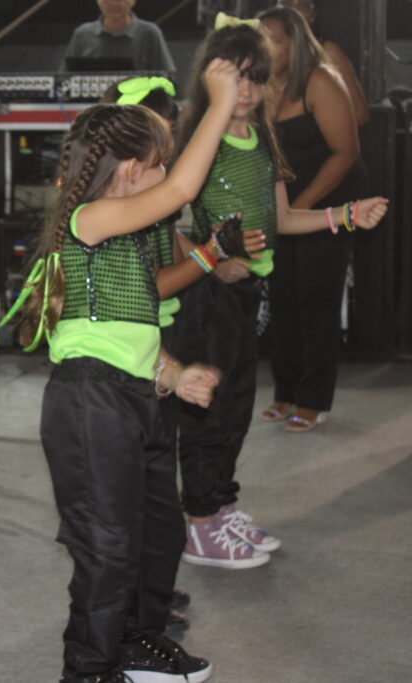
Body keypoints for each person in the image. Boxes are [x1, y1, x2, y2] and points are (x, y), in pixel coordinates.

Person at [0, 55, 248, 682]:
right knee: (107, 553)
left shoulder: (124, 240)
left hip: (132, 397)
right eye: (159, 164)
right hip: (92, 404)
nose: (165, 178)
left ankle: (135, 642)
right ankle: (89, 671)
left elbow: (125, 331)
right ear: (133, 170)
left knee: (156, 533)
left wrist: (174, 374)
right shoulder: (88, 220)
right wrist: (219, 104)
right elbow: (181, 190)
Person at [173, 15, 387, 569]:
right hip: (205, 298)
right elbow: (162, 222)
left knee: (237, 408)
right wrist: (210, 261)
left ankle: (220, 507)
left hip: (245, 295)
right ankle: (200, 523)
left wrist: (346, 214)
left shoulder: (263, 139)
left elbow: (283, 218)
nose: (246, 89)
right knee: (209, 410)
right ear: (209, 77)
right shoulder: (199, 139)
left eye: (256, 76)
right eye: (234, 76)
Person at [99, 75, 267, 637]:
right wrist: (211, 256)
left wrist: (211, 257)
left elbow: (172, 242)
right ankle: (130, 617)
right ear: (131, 157)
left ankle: (149, 597)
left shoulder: (145, 201)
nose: (171, 160)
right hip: (122, 367)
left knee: (155, 494)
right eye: (164, 145)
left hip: (155, 349)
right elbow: (154, 284)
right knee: (132, 502)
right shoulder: (108, 215)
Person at [258, 6, 370, 433]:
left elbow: (347, 152)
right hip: (286, 201)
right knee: (282, 296)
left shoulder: (320, 79)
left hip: (330, 197)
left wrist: (299, 208)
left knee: (316, 299)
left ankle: (314, 399)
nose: (267, 47)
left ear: (296, 44)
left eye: (275, 40)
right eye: (261, 38)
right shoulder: (262, 85)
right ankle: (286, 391)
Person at [276, 0, 369, 126]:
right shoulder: (263, 51)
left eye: (303, 5)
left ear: (313, 15)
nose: (294, 10)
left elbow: (359, 113)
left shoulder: (327, 51)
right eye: (286, 3)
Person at [61, 0, 176, 76]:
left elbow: (167, 76)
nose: (114, 4)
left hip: (138, 104)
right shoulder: (82, 34)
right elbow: (64, 77)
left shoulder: (149, 33)